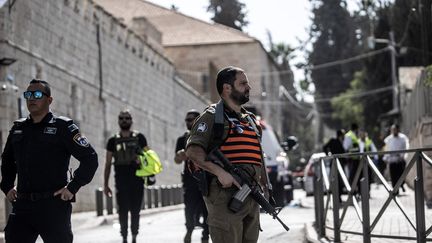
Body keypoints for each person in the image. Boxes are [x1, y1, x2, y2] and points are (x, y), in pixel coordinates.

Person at [0, 79, 98, 243]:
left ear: (49, 100)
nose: (31, 98)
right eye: (28, 95)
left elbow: (90, 158)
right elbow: (7, 159)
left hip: (53, 206)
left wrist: (72, 188)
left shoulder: (63, 127)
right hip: (23, 205)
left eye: (37, 94)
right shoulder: (18, 128)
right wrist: (7, 186)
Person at [186, 66, 269, 243]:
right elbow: (193, 152)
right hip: (224, 196)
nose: (249, 87)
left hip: (251, 195)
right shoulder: (211, 117)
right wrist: (220, 172)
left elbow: (258, 156)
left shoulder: (251, 121)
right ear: (227, 88)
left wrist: (265, 185)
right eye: (243, 83)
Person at [104, 110, 149, 243]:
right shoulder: (112, 140)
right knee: (122, 211)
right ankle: (124, 236)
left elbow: (149, 157)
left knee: (136, 210)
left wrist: (141, 160)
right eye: (122, 118)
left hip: (137, 180)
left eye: (127, 118)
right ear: (118, 121)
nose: (124, 120)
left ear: (131, 120)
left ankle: (134, 235)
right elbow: (107, 163)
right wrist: (106, 185)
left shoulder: (140, 138)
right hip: (121, 181)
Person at [174, 110, 209, 243]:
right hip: (190, 181)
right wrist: (180, 155)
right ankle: (189, 230)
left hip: (205, 178)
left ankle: (205, 236)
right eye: (187, 120)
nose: (189, 122)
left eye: (191, 119)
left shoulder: (206, 137)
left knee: (207, 210)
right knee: (189, 208)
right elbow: (176, 160)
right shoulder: (182, 140)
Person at [383, 124, 409, 195]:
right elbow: (386, 149)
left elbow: (406, 147)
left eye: (395, 129)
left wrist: (404, 156)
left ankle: (402, 185)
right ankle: (395, 190)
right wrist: (385, 158)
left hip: (400, 160)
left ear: (398, 130)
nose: (393, 131)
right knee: (393, 176)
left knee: (401, 175)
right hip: (392, 160)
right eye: (392, 130)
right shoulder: (388, 139)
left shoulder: (403, 138)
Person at [323, 129, 346, 201]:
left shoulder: (341, 142)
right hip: (335, 163)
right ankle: (337, 197)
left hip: (338, 164)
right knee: (336, 181)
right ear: (341, 135)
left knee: (339, 181)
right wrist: (328, 155)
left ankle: (338, 197)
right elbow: (324, 147)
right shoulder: (334, 141)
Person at [343, 123, 362, 194]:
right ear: (356, 128)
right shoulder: (349, 136)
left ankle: (356, 191)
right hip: (351, 159)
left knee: (357, 176)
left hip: (356, 159)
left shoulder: (354, 136)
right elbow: (346, 148)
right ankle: (352, 192)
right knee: (352, 177)